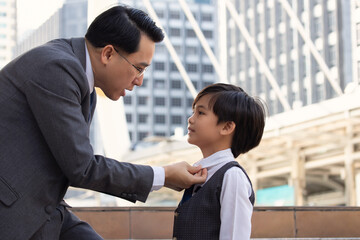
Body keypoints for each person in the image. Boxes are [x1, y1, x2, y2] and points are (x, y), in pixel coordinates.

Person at [0, 5, 207, 240]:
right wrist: (164, 175)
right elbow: (83, 167)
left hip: (42, 211)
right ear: (108, 53)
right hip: (11, 216)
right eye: (139, 68)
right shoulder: (57, 68)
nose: (139, 81)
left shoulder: (80, 80)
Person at [172, 83, 266, 240]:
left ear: (227, 127)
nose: (191, 119)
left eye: (200, 113)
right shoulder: (201, 171)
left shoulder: (232, 176)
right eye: (193, 112)